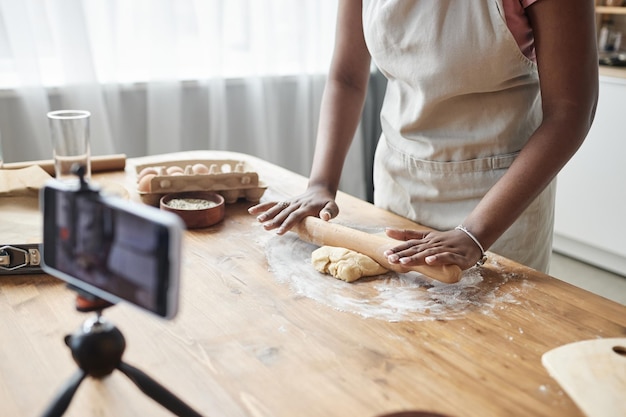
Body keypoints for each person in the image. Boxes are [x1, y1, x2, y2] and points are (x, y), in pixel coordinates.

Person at [249, 0, 598, 273]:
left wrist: (477, 232)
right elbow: (347, 77)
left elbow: (570, 111)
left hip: (501, 201)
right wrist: (321, 184)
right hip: (399, 184)